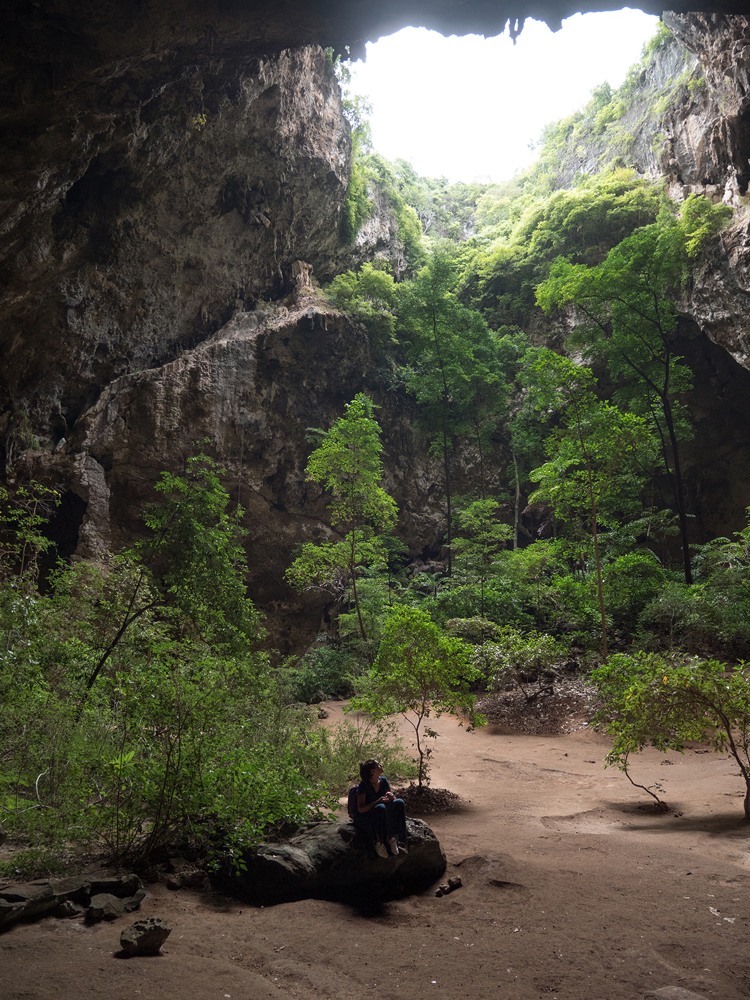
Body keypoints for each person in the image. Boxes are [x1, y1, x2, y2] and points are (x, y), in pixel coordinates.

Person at [353, 758, 408, 858]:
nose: (381, 765)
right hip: (371, 813)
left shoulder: (383, 780)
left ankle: (394, 838)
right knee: (380, 807)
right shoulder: (364, 785)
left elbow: (390, 796)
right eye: (378, 765)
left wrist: (391, 797)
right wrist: (377, 802)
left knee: (399, 802)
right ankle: (379, 842)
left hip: (383, 808)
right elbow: (361, 809)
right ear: (372, 771)